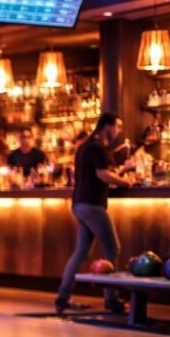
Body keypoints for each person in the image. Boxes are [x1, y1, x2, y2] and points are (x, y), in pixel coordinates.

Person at [55, 112, 132, 315]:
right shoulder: (98, 147)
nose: (119, 131)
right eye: (118, 126)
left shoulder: (85, 147)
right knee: (112, 248)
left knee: (81, 252)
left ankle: (62, 297)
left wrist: (118, 175)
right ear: (107, 126)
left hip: (80, 203)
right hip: (92, 204)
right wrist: (126, 181)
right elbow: (103, 174)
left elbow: (96, 175)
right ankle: (112, 299)